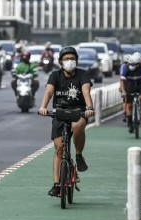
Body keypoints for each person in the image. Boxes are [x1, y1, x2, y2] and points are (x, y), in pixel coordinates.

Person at [38, 46, 95, 197]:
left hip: (79, 112)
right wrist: (43, 107)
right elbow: (49, 91)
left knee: (78, 126)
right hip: (59, 113)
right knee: (59, 149)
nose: (70, 61)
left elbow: (85, 91)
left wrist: (89, 107)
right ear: (60, 61)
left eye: (72, 59)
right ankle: (57, 184)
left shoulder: (83, 74)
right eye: (66, 59)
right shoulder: (55, 75)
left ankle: (78, 155)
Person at [120, 52, 141, 133]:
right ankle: (130, 124)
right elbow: (122, 81)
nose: (132, 66)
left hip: (139, 84)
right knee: (129, 105)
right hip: (130, 84)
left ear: (137, 64)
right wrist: (123, 91)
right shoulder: (126, 68)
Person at [120, 54, 131, 122]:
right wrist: (121, 87)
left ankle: (125, 113)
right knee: (125, 99)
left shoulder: (123, 66)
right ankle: (124, 113)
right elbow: (121, 78)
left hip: (130, 84)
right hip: (126, 84)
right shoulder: (124, 66)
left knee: (126, 100)